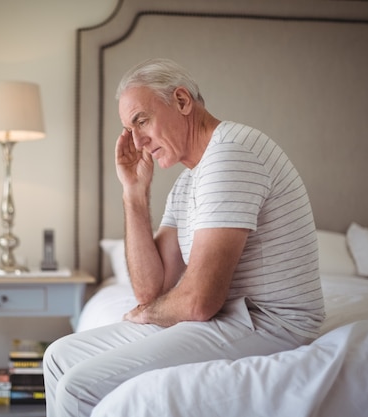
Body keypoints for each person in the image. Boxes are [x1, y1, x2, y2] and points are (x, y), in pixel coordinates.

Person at [43, 58, 325, 417]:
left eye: (141, 121)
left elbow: (197, 302)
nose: (137, 141)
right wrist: (134, 193)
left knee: (79, 385)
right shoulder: (190, 179)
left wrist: (147, 314)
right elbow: (152, 288)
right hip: (229, 317)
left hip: (271, 323)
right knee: (57, 357)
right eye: (129, 129)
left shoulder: (232, 153)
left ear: (181, 101)